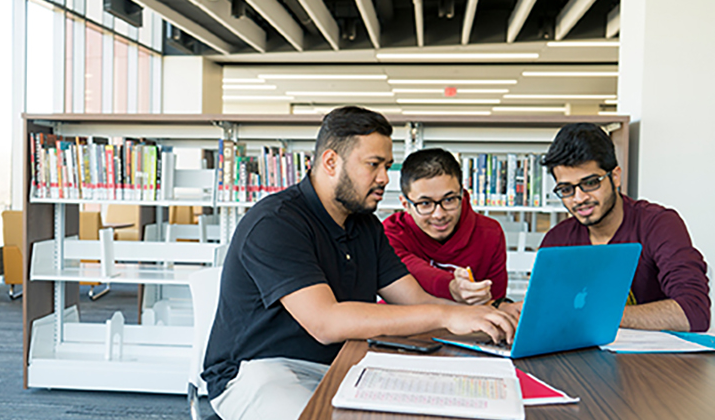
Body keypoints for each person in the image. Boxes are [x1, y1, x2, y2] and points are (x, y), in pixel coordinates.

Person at [202, 106, 518, 420]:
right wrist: (447, 315)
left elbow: (415, 300)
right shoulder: (276, 223)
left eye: (387, 166)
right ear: (330, 162)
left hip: (347, 363)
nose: (384, 178)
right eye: (373, 165)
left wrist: (486, 315)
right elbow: (326, 322)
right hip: (261, 371)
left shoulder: (366, 226)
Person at [540, 122, 710, 332]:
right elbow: (542, 313)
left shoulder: (658, 224)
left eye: (591, 183)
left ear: (615, 176)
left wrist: (593, 313)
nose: (579, 198)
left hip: (655, 362)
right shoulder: (557, 239)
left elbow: (694, 312)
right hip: (579, 359)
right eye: (566, 189)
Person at [383, 148, 520, 317]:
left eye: (449, 200)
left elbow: (495, 302)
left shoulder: (490, 234)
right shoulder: (390, 233)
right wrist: (452, 287)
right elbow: (410, 268)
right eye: (425, 203)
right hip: (402, 328)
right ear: (406, 205)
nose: (439, 214)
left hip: (471, 333)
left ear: (462, 194)